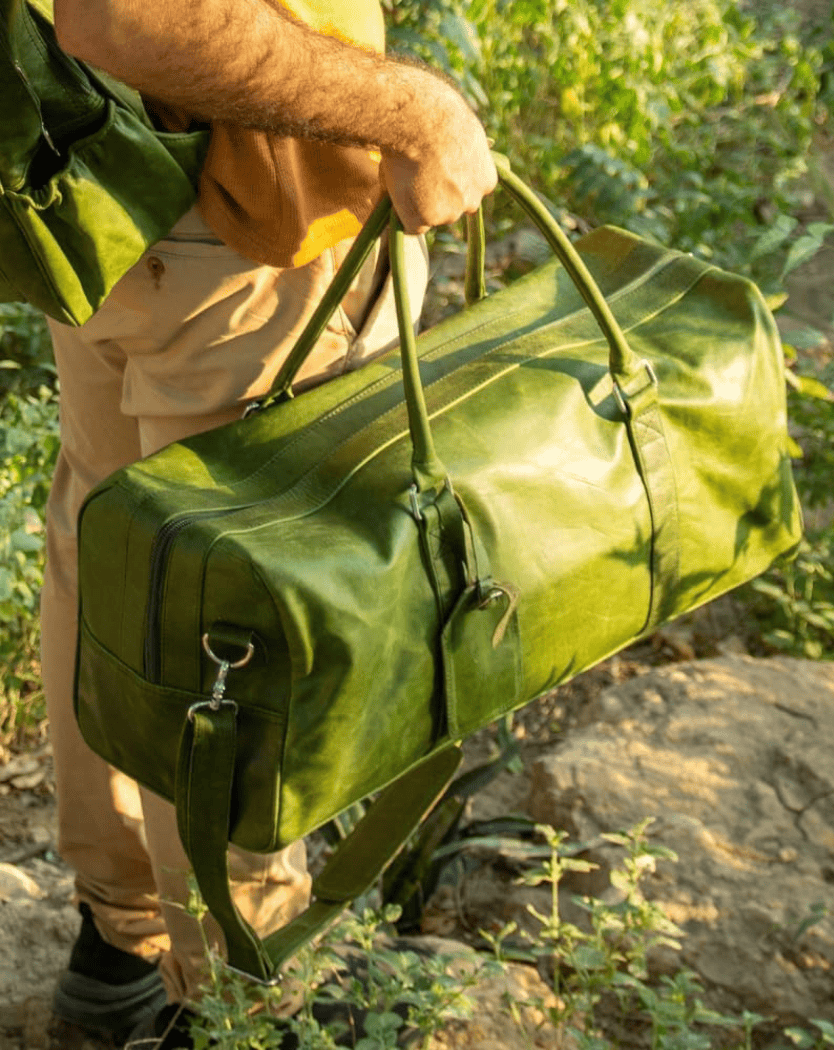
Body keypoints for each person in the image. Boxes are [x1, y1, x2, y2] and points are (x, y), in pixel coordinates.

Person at [41, 0, 497, 1044]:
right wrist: (410, 114)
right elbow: (122, 14)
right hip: (245, 228)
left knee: (114, 556)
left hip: (109, 175)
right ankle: (252, 996)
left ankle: (123, 942)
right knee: (232, 628)